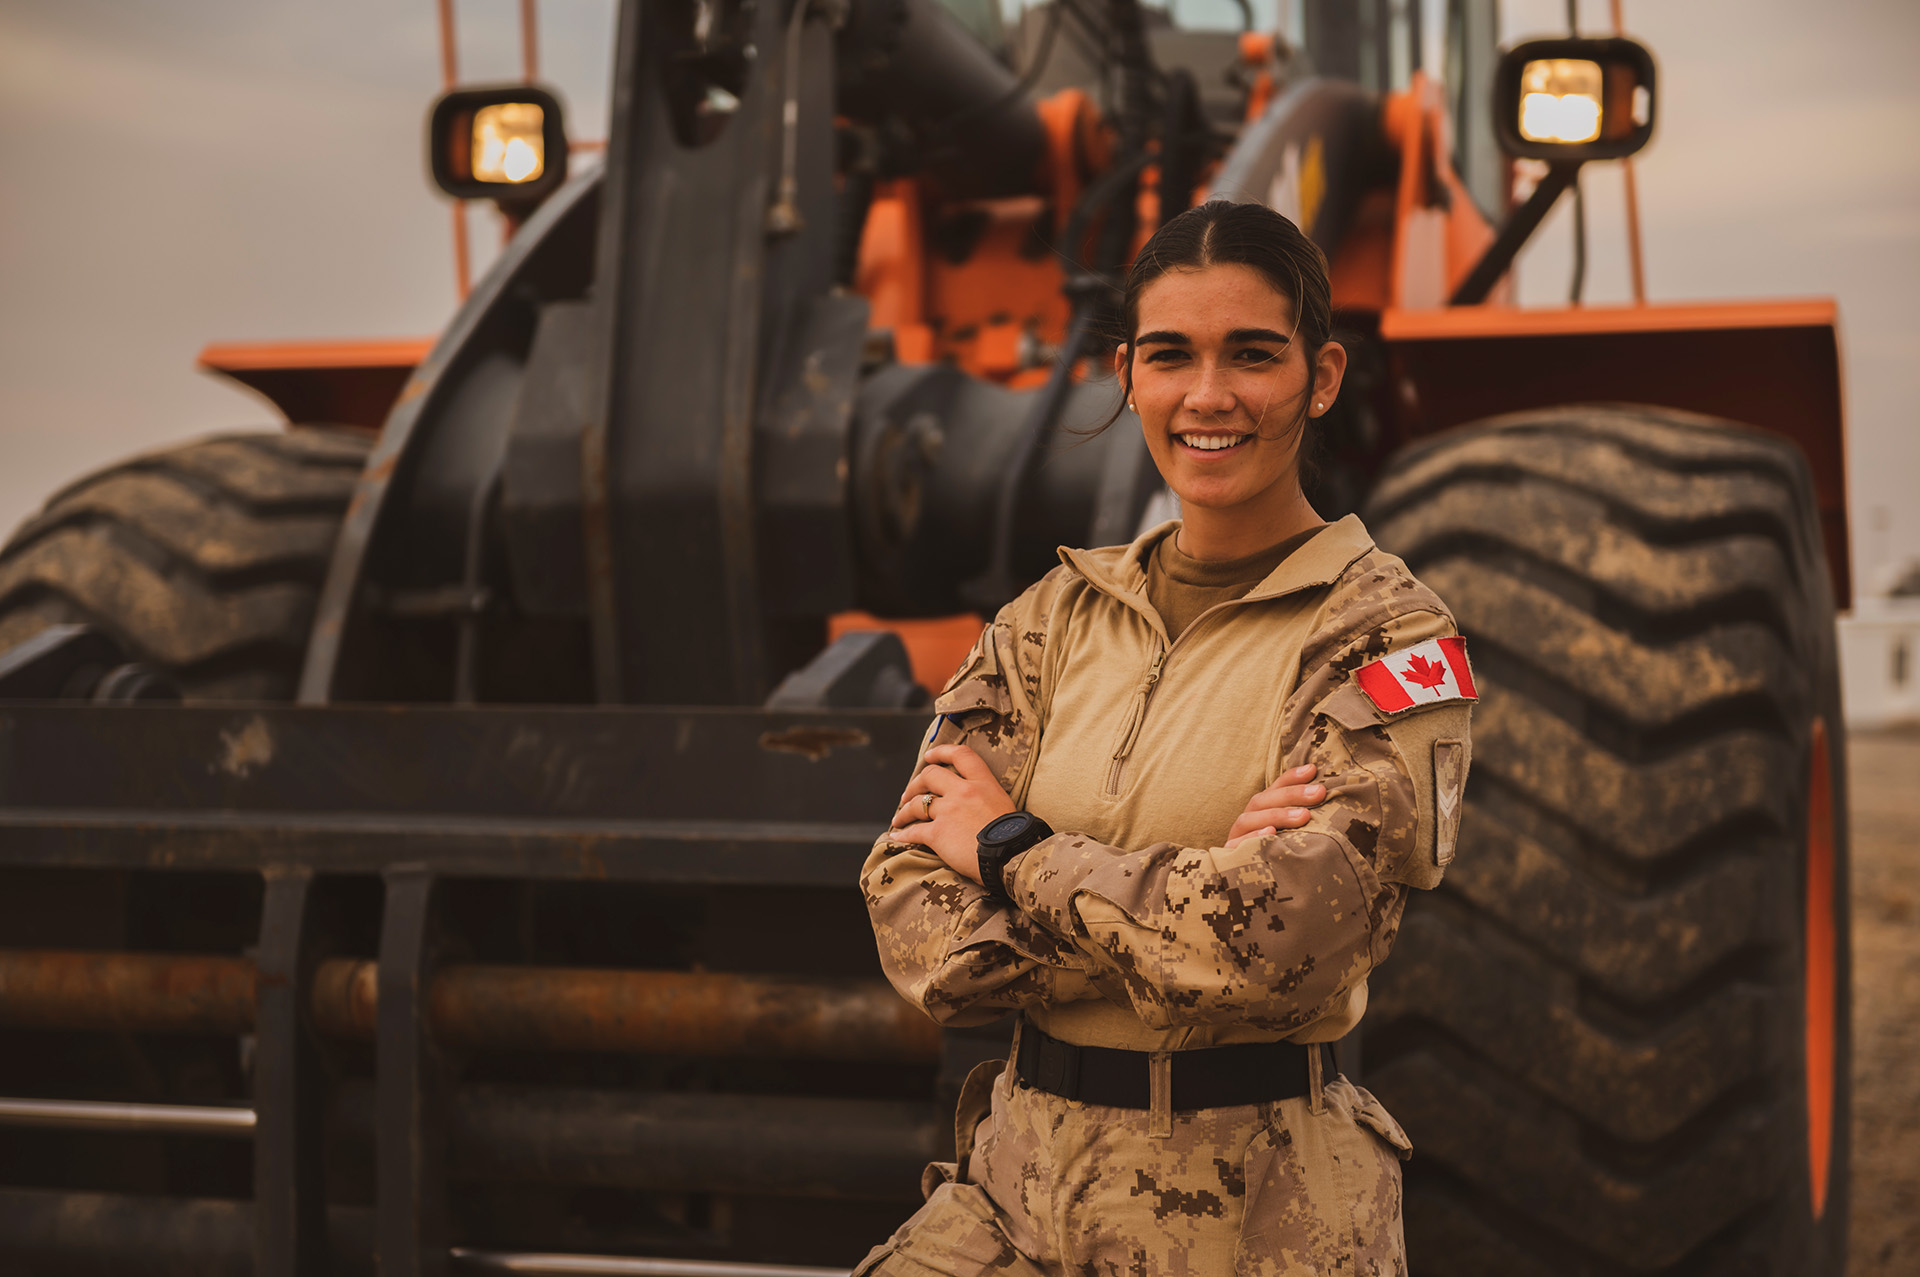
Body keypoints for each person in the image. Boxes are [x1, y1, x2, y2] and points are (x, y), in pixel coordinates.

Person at [856, 199, 1475, 1275]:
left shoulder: (1386, 631)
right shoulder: (1048, 619)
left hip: (1258, 1205)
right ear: (1127, 374)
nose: (1209, 394)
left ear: (1320, 377)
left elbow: (1286, 942)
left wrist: (1013, 852)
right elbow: (913, 917)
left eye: (1252, 355)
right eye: (1170, 355)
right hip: (1016, 1184)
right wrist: (1195, 896)